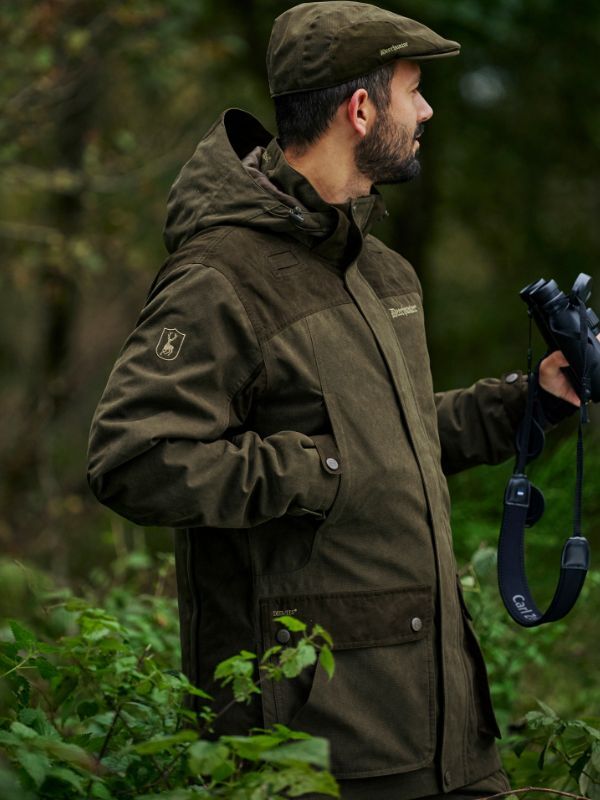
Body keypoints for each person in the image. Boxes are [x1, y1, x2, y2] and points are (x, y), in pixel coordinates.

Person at [87, 2, 578, 798]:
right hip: (318, 756)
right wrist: (321, 469)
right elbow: (135, 457)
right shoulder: (221, 276)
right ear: (360, 110)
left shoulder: (384, 273)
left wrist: (534, 402)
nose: (427, 110)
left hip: (448, 739)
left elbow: (400, 439)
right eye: (413, 91)